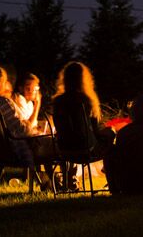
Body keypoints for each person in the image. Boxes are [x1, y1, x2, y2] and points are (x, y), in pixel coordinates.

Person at [52, 61, 115, 189]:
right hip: (86, 149)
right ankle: (113, 182)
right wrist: (109, 131)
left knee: (75, 139)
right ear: (84, 79)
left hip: (63, 149)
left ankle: (69, 180)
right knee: (111, 137)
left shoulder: (58, 101)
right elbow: (95, 131)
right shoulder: (86, 100)